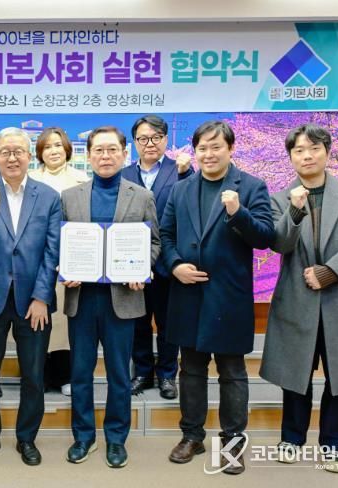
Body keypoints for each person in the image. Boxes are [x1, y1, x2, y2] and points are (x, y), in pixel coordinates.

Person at [260, 124, 338, 473]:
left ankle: (334, 445)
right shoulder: (280, 199)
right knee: (295, 376)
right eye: (299, 150)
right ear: (290, 157)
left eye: (314, 148)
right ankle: (291, 439)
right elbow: (279, 243)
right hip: (296, 301)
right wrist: (295, 211)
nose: (307, 156)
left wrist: (329, 272)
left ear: (327, 152)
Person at [161, 120, 274, 474]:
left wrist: (238, 213)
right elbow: (165, 235)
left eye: (216, 147)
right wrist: (175, 265)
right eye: (202, 148)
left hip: (228, 297)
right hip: (188, 294)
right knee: (190, 369)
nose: (208, 154)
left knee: (232, 371)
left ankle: (232, 441)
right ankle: (191, 436)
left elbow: (265, 237)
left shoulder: (251, 186)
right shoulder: (181, 189)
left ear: (231, 149)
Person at [62, 126, 160, 468]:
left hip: (123, 299)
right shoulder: (70, 197)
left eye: (112, 150)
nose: (105, 156)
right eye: (99, 151)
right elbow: (59, 243)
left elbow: (155, 243)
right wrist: (64, 267)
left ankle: (116, 439)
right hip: (82, 298)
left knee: (119, 374)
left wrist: (142, 268)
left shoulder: (142, 196)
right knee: (80, 372)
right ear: (88, 156)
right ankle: (83, 436)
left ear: (124, 154)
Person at [0, 127, 61, 466]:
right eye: (5, 152)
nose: (12, 157)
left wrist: (42, 297)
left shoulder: (48, 196)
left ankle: (26, 438)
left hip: (33, 301)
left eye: (18, 151)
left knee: (33, 375)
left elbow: (52, 251)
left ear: (29, 156)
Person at [121, 115, 193, 400]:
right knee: (137, 322)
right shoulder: (124, 174)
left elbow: (191, 204)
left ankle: (167, 375)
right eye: (143, 138)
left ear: (165, 139)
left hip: (167, 262)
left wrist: (187, 174)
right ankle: (141, 373)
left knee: (167, 323)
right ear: (135, 142)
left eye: (156, 137)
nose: (149, 143)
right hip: (131, 262)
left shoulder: (181, 170)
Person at [28, 127, 89, 397]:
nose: (53, 151)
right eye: (47, 146)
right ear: (39, 152)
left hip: (70, 261)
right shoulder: (29, 179)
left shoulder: (82, 179)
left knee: (65, 320)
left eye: (57, 145)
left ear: (67, 149)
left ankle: (64, 375)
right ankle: (38, 375)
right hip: (36, 261)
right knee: (37, 319)